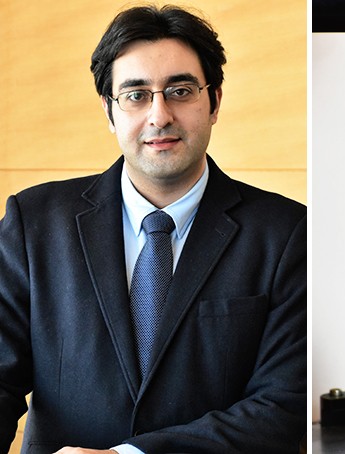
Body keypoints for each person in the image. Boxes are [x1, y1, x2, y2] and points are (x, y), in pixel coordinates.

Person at [0, 5, 306, 454]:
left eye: (180, 90)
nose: (159, 115)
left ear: (214, 101)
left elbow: (283, 404)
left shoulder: (286, 233)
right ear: (109, 111)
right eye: (136, 95)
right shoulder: (35, 222)